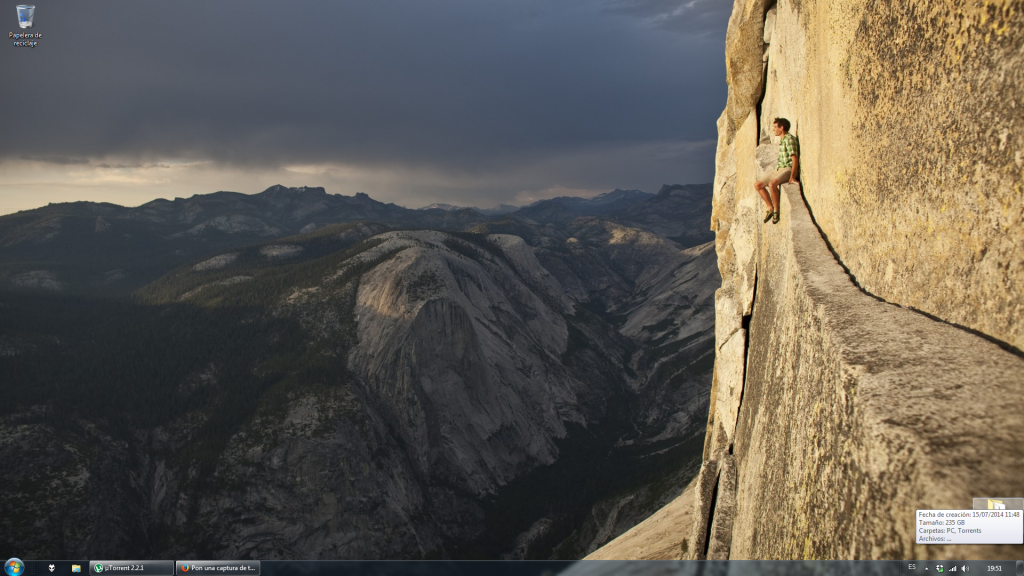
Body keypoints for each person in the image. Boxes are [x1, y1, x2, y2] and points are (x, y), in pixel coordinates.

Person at [754, 117, 799, 224]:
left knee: (772, 184)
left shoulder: (789, 139)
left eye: (775, 127)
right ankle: (770, 208)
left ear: (782, 128)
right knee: (758, 185)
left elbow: (794, 158)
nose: (774, 129)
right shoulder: (783, 140)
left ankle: (776, 210)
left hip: (787, 169)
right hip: (779, 168)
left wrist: (792, 176)